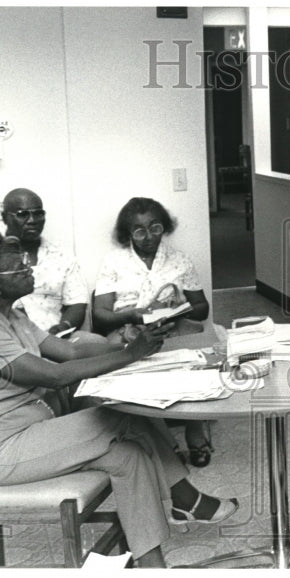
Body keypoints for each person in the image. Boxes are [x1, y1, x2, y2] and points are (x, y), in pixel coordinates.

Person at [0, 232, 238, 569]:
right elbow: (53, 375)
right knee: (119, 415)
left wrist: (129, 343)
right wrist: (130, 355)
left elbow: (70, 351)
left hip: (32, 432)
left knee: (127, 457)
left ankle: (154, 568)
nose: (28, 267)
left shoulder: (13, 315)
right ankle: (185, 498)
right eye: (18, 268)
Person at [92, 197, 214, 467]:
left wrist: (178, 307)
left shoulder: (179, 260)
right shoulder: (114, 261)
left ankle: (197, 434)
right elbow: (100, 314)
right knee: (133, 372)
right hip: (130, 330)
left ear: (164, 227)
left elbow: (202, 308)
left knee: (196, 364)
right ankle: (164, 446)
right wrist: (135, 314)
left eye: (155, 228)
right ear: (128, 234)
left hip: (173, 326)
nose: (148, 237)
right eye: (139, 231)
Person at [0, 187, 101, 342]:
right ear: (5, 217)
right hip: (8, 338)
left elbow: (77, 303)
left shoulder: (62, 256)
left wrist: (62, 327)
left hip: (57, 337)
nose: (32, 220)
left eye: (38, 213)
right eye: (22, 214)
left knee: (97, 343)